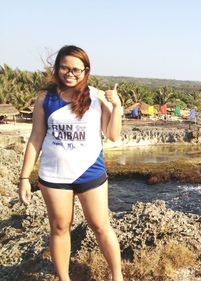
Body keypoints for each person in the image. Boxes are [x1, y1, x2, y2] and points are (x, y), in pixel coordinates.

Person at [17, 45, 123, 281]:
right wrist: (24, 178)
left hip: (91, 173)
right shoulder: (45, 98)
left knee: (101, 226)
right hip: (54, 176)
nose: (70, 73)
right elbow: (36, 138)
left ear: (86, 71)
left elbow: (113, 134)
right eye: (64, 67)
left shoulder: (95, 97)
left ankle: (118, 277)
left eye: (77, 69)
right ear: (57, 68)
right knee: (59, 228)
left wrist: (116, 106)